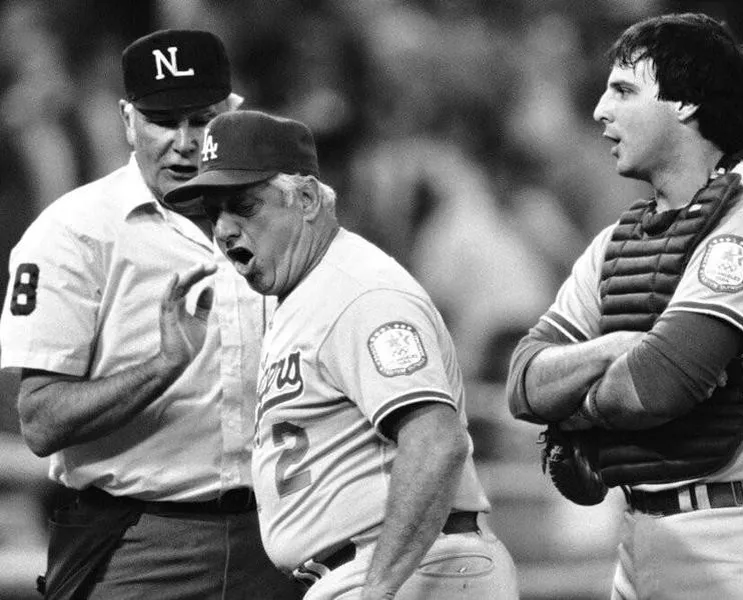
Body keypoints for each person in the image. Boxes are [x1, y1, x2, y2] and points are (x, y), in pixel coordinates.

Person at [163, 109, 519, 600]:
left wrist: (377, 591)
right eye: (213, 210)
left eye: (242, 204)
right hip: (378, 571)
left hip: (411, 570)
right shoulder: (305, 294)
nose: (223, 229)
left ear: (306, 198)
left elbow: (437, 442)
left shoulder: (359, 293)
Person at [506, 12, 743, 600]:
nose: (599, 110)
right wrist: (617, 347)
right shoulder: (620, 241)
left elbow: (655, 388)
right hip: (638, 535)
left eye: (623, 90)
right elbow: (522, 382)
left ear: (686, 103)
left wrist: (574, 402)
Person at [0, 29, 302, 599]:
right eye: (164, 120)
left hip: (282, 531)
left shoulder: (282, 217)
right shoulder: (75, 233)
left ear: (234, 114)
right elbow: (39, 421)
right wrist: (161, 367)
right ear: (127, 119)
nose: (186, 142)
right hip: (140, 538)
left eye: (203, 120)